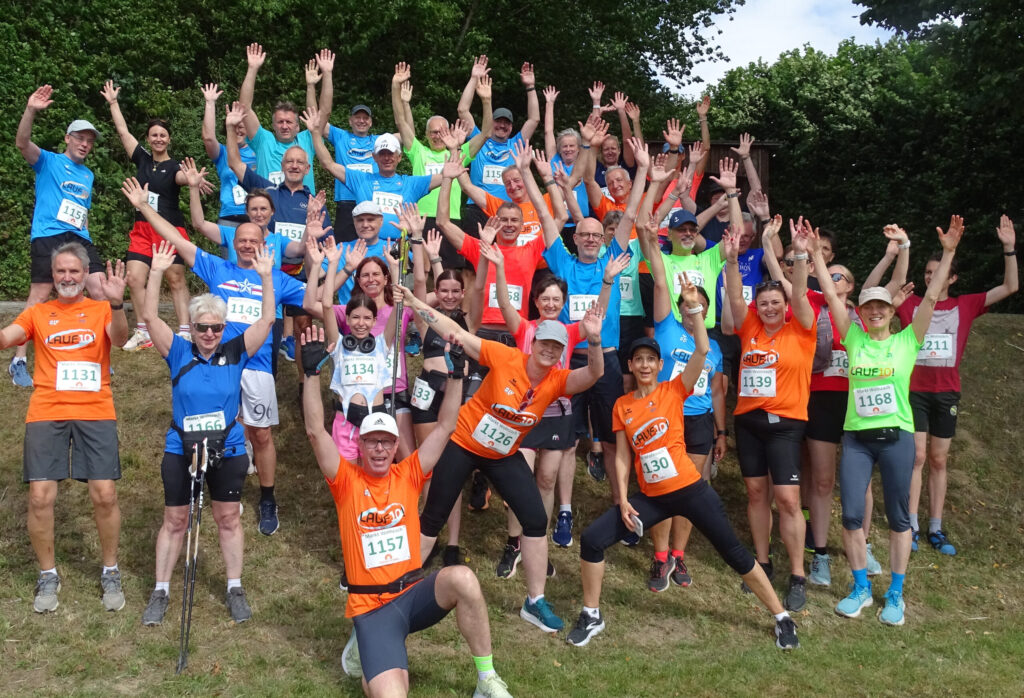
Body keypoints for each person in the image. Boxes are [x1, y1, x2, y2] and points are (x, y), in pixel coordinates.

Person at [566, 295, 799, 651]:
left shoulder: (674, 390)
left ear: (660, 365)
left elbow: (702, 351)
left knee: (735, 554)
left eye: (651, 360)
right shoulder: (622, 406)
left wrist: (693, 308)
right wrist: (624, 499)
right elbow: (623, 458)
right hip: (652, 498)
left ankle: (782, 617)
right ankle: (591, 614)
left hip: (691, 491)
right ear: (630, 365)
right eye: (638, 359)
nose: (645, 365)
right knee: (592, 539)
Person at [300, 327, 513, 698]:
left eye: (386, 442)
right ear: (360, 446)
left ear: (396, 444)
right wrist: (310, 375)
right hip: (372, 607)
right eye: (372, 443)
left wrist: (456, 377)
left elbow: (446, 426)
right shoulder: (345, 481)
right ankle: (365, 650)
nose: (380, 450)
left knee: (463, 578)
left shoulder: (409, 473)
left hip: (413, 595)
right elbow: (316, 432)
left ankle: (487, 679)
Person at [403, 288, 605, 633]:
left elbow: (594, 374)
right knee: (433, 516)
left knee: (535, 519)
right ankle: (400, 587)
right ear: (533, 342)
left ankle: (535, 601)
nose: (549, 350)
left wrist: (595, 340)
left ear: (561, 353)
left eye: (556, 347)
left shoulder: (557, 381)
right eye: (544, 343)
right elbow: (456, 333)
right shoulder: (505, 356)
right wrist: (414, 302)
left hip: (502, 455)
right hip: (464, 444)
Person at [121, 177, 307, 537]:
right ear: (233, 245)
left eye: (254, 241)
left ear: (265, 243)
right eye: (242, 241)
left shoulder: (276, 278)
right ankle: (226, 490)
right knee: (221, 428)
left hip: (256, 365)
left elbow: (317, 299)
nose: (248, 245)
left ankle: (267, 498)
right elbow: (177, 241)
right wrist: (144, 207)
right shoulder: (218, 268)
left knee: (262, 435)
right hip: (217, 364)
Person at [816, 217, 963, 626]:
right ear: (861, 313)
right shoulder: (854, 338)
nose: (876, 311)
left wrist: (948, 252)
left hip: (897, 438)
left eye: (882, 306)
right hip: (857, 440)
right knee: (850, 517)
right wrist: (813, 254)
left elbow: (930, 298)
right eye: (869, 307)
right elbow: (828, 291)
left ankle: (895, 593)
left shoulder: (907, 341)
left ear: (892, 311)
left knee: (899, 519)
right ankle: (861, 587)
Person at [140, 240, 276, 625]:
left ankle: (235, 587)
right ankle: (160, 591)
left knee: (228, 517)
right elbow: (149, 316)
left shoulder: (235, 351)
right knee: (175, 520)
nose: (210, 333)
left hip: (228, 448)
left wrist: (266, 277)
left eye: (217, 327)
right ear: (193, 327)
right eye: (203, 327)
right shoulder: (178, 351)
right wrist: (156, 272)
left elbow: (267, 320)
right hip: (180, 447)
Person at [479, 241, 629, 572]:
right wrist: (499, 268)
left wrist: (607, 281)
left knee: (547, 480)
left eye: (556, 299)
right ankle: (514, 542)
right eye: (544, 298)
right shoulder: (524, 328)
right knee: (520, 480)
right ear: (535, 302)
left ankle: (536, 543)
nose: (550, 303)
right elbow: (503, 302)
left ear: (563, 303)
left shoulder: (569, 331)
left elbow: (597, 316)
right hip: (522, 415)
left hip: (557, 415)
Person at [0, 242, 129, 612]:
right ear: (53, 275)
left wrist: (117, 305)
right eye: (61, 271)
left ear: (85, 274)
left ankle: (110, 570)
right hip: (47, 411)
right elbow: (6, 338)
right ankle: (48, 575)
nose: (68, 277)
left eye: (74, 271)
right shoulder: (38, 313)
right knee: (40, 497)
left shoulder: (101, 309)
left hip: (95, 409)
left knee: (105, 494)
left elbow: (120, 340)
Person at [897, 215, 1018, 555]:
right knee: (918, 457)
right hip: (914, 391)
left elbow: (1010, 287)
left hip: (946, 392)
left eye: (938, 273)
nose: (930, 278)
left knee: (939, 459)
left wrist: (1009, 249)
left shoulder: (965, 305)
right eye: (926, 273)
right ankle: (911, 525)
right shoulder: (910, 304)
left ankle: (936, 528)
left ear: (952, 278)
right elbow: (885, 296)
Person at [722, 219, 816, 613]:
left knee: (789, 500)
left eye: (776, 302)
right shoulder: (750, 328)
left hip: (785, 425)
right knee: (756, 494)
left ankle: (798, 574)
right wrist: (731, 262)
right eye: (764, 303)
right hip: (749, 421)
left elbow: (800, 295)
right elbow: (734, 297)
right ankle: (763, 562)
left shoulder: (802, 328)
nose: (770, 307)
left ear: (786, 305)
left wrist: (799, 255)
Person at [640, 219, 727, 591]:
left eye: (700, 307)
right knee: (661, 485)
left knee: (691, 490)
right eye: (689, 306)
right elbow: (660, 280)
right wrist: (649, 237)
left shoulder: (715, 348)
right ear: (680, 309)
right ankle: (660, 557)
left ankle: (679, 554)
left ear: (706, 311)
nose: (694, 311)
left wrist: (721, 432)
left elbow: (717, 392)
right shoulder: (667, 328)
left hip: (698, 422)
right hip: (665, 416)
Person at [11, 85, 108, 388]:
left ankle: (95, 353)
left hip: (78, 236)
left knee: (101, 289)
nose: (85, 144)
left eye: (89, 141)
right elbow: (22, 142)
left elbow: (82, 208)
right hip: (48, 235)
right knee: (40, 295)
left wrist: (85, 230)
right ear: (68, 138)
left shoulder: (88, 175)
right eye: (80, 138)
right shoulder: (48, 161)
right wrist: (31, 110)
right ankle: (18, 361)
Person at [100, 79, 194, 351]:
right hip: (141, 229)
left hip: (168, 228)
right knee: (134, 279)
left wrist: (191, 180)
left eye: (163, 135)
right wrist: (113, 103)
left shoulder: (174, 166)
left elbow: (181, 178)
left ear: (169, 139)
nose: (158, 139)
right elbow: (122, 132)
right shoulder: (141, 158)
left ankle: (185, 332)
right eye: (154, 135)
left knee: (175, 279)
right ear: (148, 139)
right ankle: (144, 331)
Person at [392, 59, 492, 272]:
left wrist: (484, 97)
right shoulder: (418, 151)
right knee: (419, 270)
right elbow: (401, 122)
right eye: (433, 132)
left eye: (442, 131)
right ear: (426, 135)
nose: (437, 136)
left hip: (450, 218)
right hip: (420, 219)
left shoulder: (458, 153)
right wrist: (396, 87)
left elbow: (485, 133)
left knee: (451, 273)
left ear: (450, 131)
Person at [458, 61, 540, 232]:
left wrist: (530, 87)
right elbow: (463, 111)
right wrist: (474, 78)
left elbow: (534, 119)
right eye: (498, 121)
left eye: (506, 123)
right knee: (474, 249)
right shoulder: (479, 139)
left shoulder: (515, 144)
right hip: (478, 208)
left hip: (507, 211)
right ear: (491, 121)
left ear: (511, 127)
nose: (502, 126)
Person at [239, 43, 330, 190]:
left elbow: (323, 113)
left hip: (303, 204)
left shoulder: (307, 140)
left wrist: (325, 75)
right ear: (273, 125)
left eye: (289, 122)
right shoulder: (263, 141)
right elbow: (244, 108)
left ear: (297, 126)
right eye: (280, 122)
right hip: (269, 204)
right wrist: (252, 69)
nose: (284, 126)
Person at [201, 83, 258, 230]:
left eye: (241, 127)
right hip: (229, 218)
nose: (237, 130)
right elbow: (208, 138)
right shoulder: (222, 152)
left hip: (257, 217)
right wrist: (210, 103)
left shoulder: (259, 152)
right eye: (234, 127)